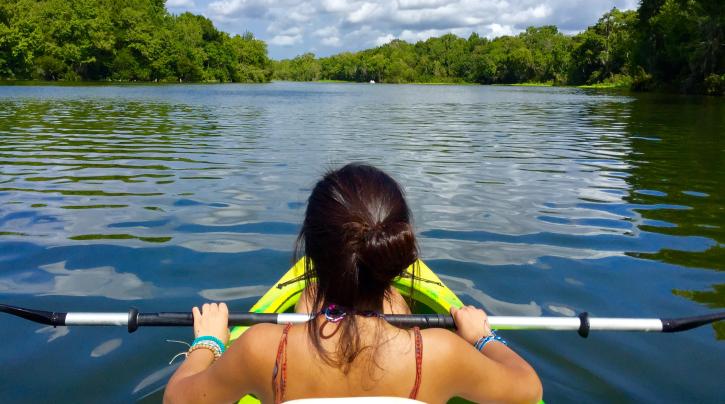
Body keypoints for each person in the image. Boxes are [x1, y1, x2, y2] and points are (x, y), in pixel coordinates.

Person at [164, 164, 542, 403]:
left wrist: (208, 342)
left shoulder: (260, 349)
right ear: (396, 253)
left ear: (311, 248)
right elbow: (529, 389)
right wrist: (482, 338)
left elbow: (178, 401)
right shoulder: (443, 353)